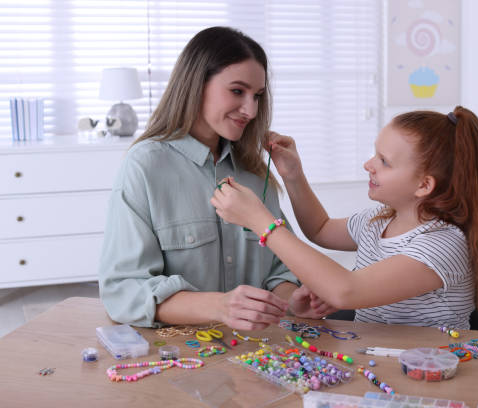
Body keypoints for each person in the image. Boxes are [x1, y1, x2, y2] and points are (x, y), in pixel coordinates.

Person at [98, 26, 336, 330]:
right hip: (182, 357)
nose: (250, 110)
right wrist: (219, 307)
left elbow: (278, 270)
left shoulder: (254, 170)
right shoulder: (145, 165)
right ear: (196, 84)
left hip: (257, 356)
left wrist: (293, 301)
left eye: (257, 96)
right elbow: (123, 290)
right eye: (237, 91)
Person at [211, 107, 478, 329]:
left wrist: (260, 221)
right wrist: (293, 175)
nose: (368, 164)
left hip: (431, 373)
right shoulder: (380, 220)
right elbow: (319, 229)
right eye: (375, 153)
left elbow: (346, 290)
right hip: (377, 362)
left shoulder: (442, 245)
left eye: (384, 162)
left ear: (424, 185)